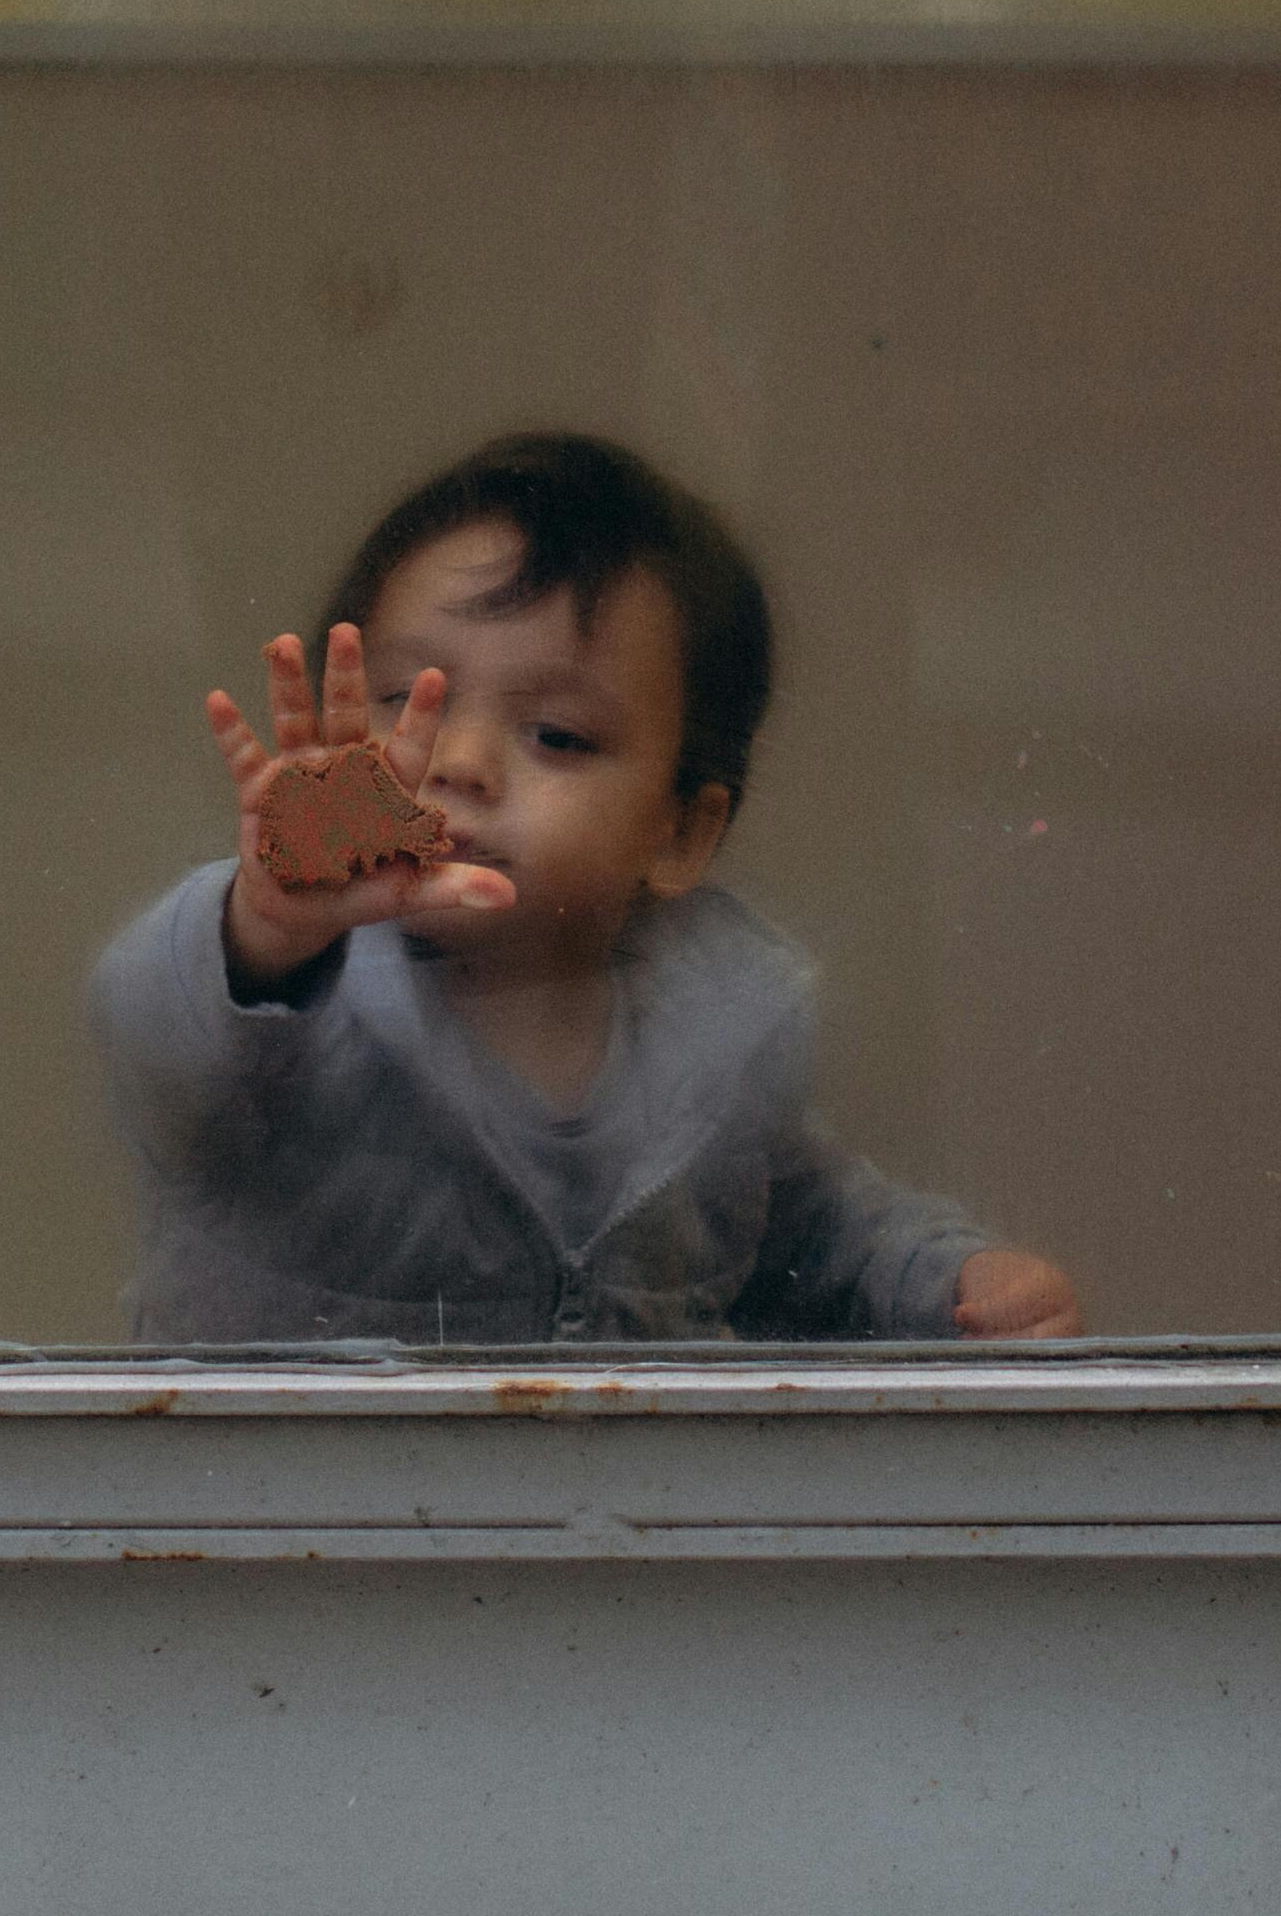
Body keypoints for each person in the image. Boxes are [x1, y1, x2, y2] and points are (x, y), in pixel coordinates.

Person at [86, 432, 1087, 1348]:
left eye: (555, 735)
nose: (461, 763)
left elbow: (806, 1228)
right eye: (404, 707)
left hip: (620, 1532)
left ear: (680, 833)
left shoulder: (717, 1027)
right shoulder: (297, 1005)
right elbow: (155, 1056)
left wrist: (954, 1279)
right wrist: (260, 925)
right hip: (290, 1526)